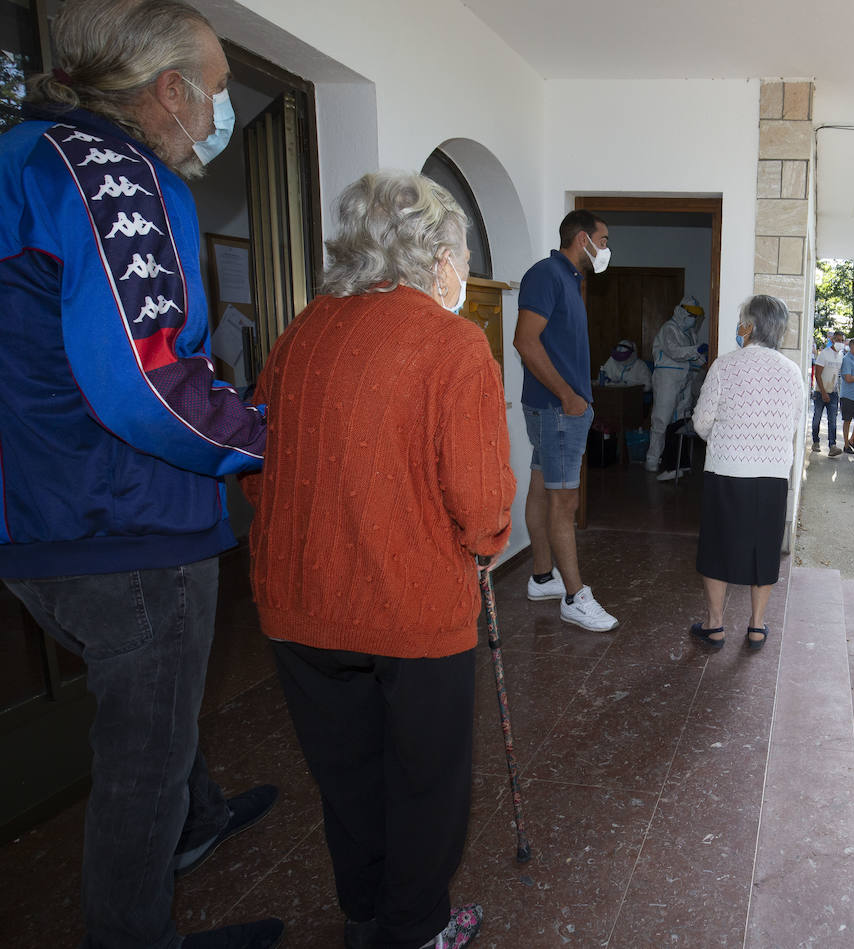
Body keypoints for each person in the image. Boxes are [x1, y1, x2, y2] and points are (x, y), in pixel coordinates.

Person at [0, 3, 283, 946]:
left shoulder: (27, 155)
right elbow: (145, 376)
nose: (218, 110)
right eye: (216, 89)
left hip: (42, 510)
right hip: (118, 520)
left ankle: (197, 822)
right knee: (141, 755)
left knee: (155, 705)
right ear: (169, 91)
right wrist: (262, 440)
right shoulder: (114, 173)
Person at [244, 170, 514, 949]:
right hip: (409, 607)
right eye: (462, 250)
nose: (464, 268)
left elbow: (259, 464)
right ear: (433, 257)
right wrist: (487, 541)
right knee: (426, 781)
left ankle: (364, 910)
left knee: (349, 775)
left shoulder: (303, 330)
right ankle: (417, 929)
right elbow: (483, 504)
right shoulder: (454, 344)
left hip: (299, 600)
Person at [514, 210, 619, 631]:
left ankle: (543, 578)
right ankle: (575, 596)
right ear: (582, 238)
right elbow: (524, 341)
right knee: (564, 501)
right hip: (557, 410)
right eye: (604, 239)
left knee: (542, 487)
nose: (607, 248)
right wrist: (567, 397)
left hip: (557, 409)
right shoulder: (547, 274)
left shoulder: (570, 280)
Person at [689, 295, 807, 650]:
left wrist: (727, 440)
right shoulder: (792, 372)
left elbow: (701, 422)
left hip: (727, 470)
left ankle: (715, 626)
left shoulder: (724, 366)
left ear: (750, 326)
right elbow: (793, 424)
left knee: (718, 545)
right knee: (765, 548)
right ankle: (756, 626)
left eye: (742, 320)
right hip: (772, 474)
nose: (739, 327)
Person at [647, 295, 708, 472]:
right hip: (667, 378)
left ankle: (674, 461)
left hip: (685, 378)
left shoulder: (690, 334)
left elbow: (694, 357)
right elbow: (674, 351)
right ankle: (653, 458)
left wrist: (705, 361)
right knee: (661, 419)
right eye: (691, 314)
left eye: (696, 315)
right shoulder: (669, 328)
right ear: (681, 311)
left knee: (681, 418)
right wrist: (696, 351)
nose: (693, 319)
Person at [810, 329, 845, 456]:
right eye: (838, 340)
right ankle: (816, 441)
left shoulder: (841, 355)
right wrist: (823, 392)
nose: (840, 343)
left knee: (832, 420)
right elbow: (818, 375)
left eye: (842, 340)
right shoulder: (824, 354)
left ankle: (832, 445)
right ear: (832, 340)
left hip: (833, 392)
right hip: (820, 392)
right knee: (817, 418)